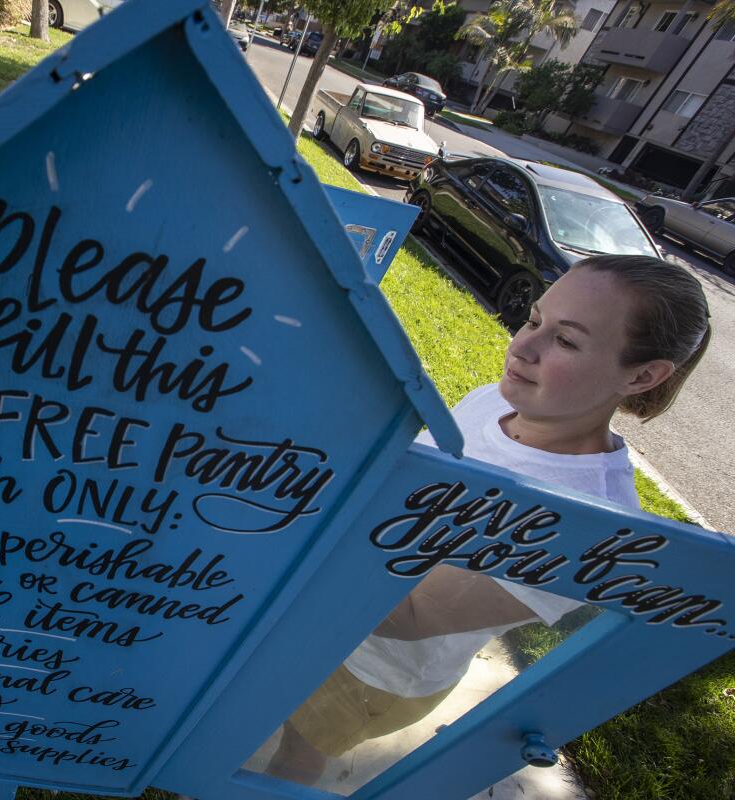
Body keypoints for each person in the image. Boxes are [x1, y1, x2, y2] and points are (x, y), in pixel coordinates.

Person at [265, 254, 713, 784]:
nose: (521, 347)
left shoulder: (592, 526)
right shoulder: (494, 403)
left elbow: (408, 616)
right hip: (316, 609)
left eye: (566, 341)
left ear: (643, 375)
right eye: (533, 319)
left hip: (373, 671)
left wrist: (286, 533)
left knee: (294, 753)